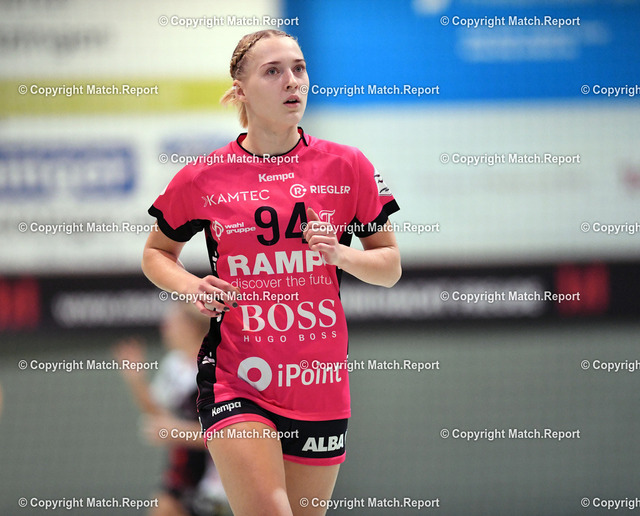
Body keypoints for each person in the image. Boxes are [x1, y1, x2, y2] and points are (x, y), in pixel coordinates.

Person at [142, 29, 401, 516]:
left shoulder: (347, 166)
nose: (292, 81)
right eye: (273, 71)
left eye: (299, 68)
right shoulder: (204, 176)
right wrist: (192, 286)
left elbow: (389, 266)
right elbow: (156, 253)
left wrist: (340, 255)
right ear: (240, 90)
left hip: (318, 380)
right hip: (238, 376)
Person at [113, 303, 229, 516]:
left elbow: (226, 434)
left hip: (217, 478)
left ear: (190, 327)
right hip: (184, 469)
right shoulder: (174, 365)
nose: (164, 329)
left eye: (171, 324)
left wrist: (176, 431)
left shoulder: (217, 369)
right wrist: (136, 381)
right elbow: (159, 415)